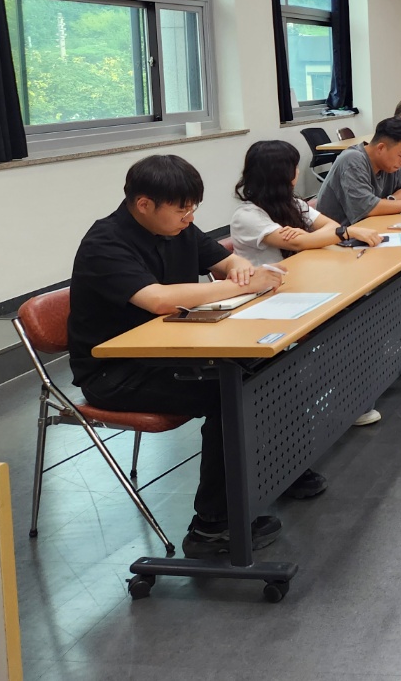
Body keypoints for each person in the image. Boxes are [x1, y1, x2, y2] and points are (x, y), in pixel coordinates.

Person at [67, 155, 314, 558]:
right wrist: (241, 286)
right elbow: (158, 300)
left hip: (172, 351)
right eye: (182, 209)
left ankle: (281, 470)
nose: (190, 217)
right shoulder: (105, 243)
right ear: (144, 204)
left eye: (193, 208)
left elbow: (226, 260)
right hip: (118, 372)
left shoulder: (178, 226)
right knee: (232, 392)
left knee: (269, 367)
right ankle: (211, 526)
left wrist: (240, 269)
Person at [231, 140, 387, 427]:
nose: (298, 172)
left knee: (357, 312)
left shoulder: (293, 204)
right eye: (293, 167)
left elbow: (329, 226)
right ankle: (344, 400)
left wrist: (315, 236)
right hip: (267, 300)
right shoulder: (248, 216)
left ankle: (352, 396)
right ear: (280, 174)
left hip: (302, 286)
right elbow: (309, 240)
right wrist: (337, 233)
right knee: (343, 326)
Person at [313, 116, 401, 226]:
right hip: (338, 237)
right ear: (381, 148)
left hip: (371, 228)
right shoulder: (352, 160)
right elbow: (367, 207)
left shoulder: (389, 163)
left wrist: (390, 201)